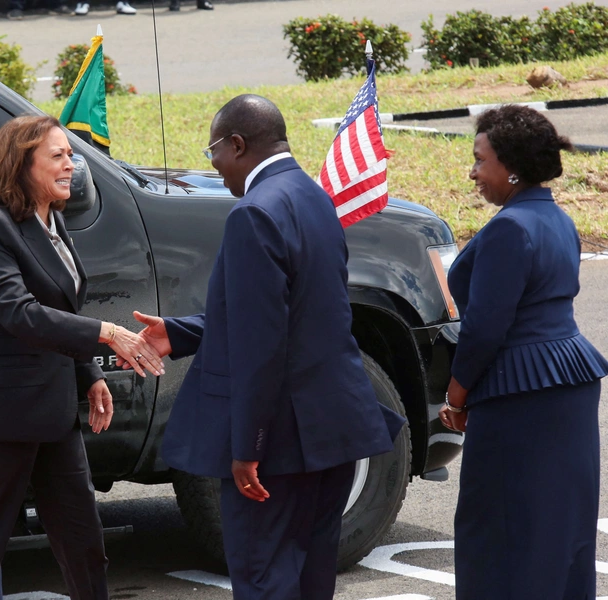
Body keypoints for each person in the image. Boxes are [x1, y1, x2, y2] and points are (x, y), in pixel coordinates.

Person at [123, 95, 405, 600]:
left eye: (215, 152)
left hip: (280, 442)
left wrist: (247, 447)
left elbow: (262, 344)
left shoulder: (253, 213)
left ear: (237, 144)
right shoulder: (314, 196)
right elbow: (295, 314)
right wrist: (183, 332)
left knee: (263, 577)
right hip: (336, 424)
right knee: (311, 577)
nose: (215, 167)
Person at [0, 115, 164, 600]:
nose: (71, 166)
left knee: (82, 537)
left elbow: (59, 304)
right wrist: (106, 333)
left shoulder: (51, 216)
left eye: (70, 154)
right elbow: (18, 313)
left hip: (52, 407)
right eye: (57, 156)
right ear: (22, 165)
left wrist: (87, 376)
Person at [438, 105, 608, 599]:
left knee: (502, 526)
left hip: (519, 393)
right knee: (557, 523)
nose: (472, 172)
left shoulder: (510, 228)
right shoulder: (558, 219)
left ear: (511, 167)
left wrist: (456, 394)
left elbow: (486, 329)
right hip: (569, 382)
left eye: (479, 160)